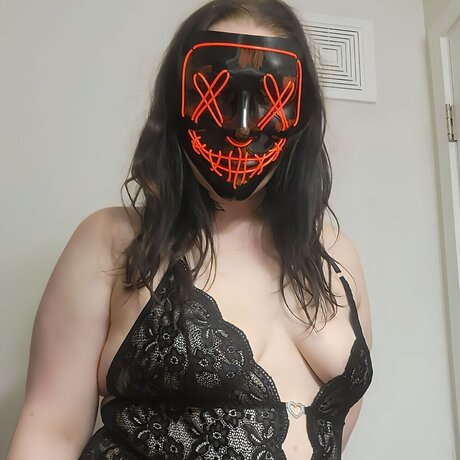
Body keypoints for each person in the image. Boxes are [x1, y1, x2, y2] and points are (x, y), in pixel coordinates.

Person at [7, 0, 373, 459]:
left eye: (268, 98)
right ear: (178, 101)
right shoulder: (113, 240)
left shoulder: (337, 256)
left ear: (300, 112)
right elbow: (49, 434)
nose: (242, 128)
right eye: (219, 94)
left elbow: (333, 431)